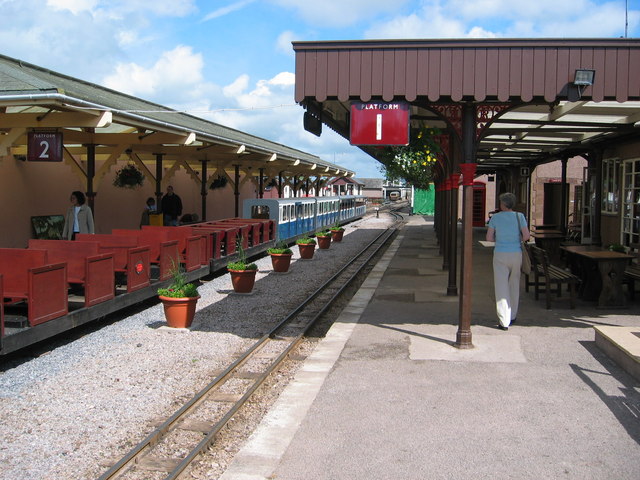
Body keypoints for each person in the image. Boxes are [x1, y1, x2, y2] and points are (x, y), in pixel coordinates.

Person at [486, 192, 530, 331]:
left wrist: (500, 240)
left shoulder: (496, 218)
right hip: (516, 253)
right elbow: (527, 236)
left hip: (500, 254)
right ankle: (512, 315)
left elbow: (489, 238)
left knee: (501, 287)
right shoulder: (520, 216)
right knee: (514, 284)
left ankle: (504, 320)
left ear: (503, 204)